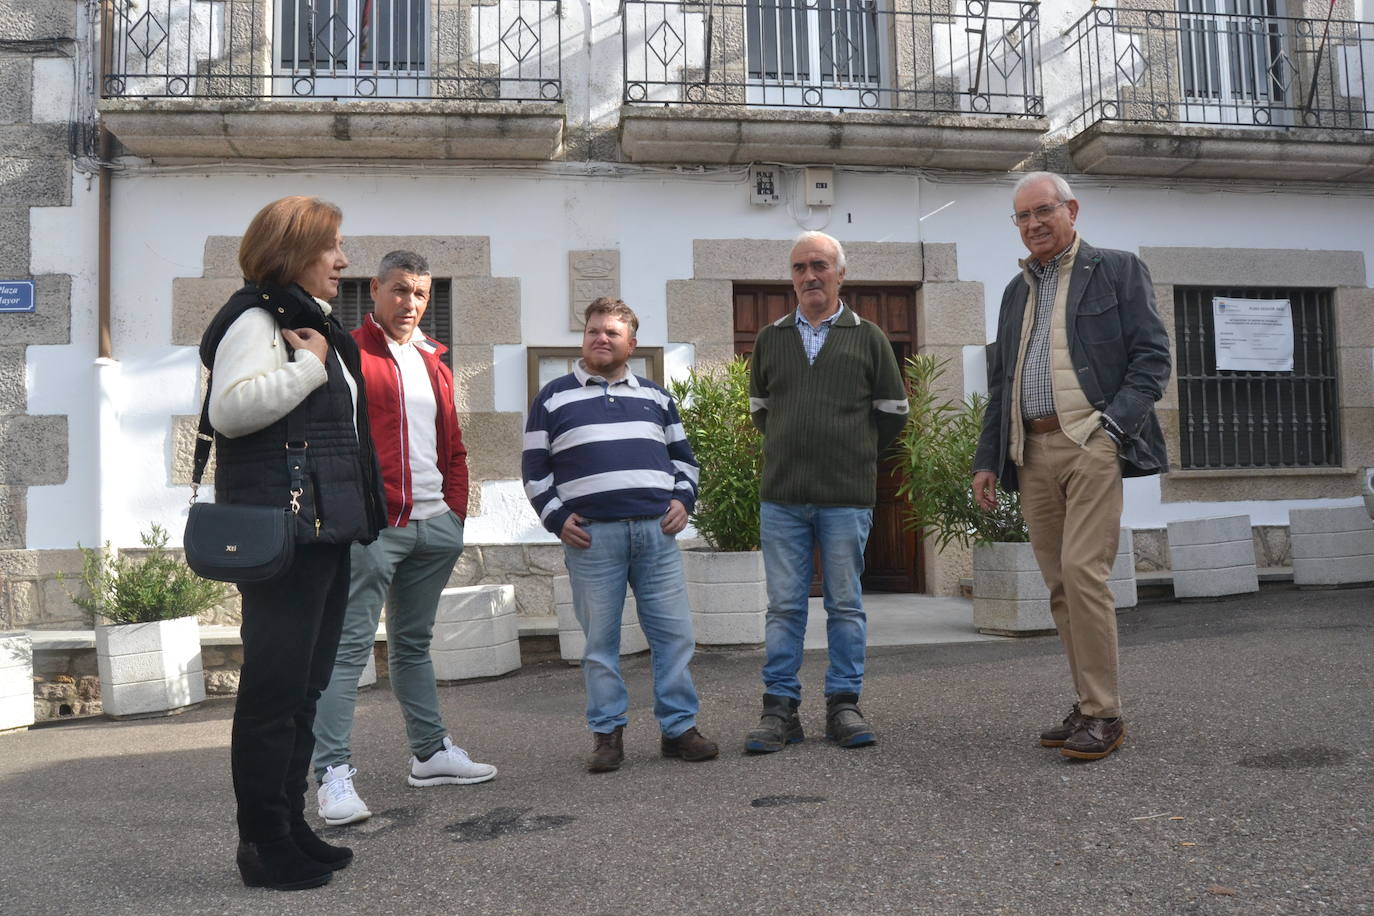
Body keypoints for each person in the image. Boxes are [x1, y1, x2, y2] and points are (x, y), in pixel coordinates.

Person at [199, 196, 386, 890]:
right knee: (273, 695)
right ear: (293, 251)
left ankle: (290, 823)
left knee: (305, 690)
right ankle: (262, 843)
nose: (343, 259)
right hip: (286, 534)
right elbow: (230, 410)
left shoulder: (310, 322)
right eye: (331, 246)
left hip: (322, 531)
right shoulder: (256, 318)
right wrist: (308, 368)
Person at [972, 172, 1171, 762]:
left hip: (1090, 443)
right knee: (1060, 583)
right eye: (1022, 216)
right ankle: (1087, 703)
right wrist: (988, 460)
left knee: (1084, 572)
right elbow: (1001, 384)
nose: (1033, 223)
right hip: (1031, 452)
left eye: (1043, 210)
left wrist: (1112, 431)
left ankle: (1104, 713)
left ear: (1072, 210)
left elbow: (1152, 359)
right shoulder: (1015, 291)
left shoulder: (1117, 270)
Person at [310, 251, 495, 827]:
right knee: (349, 648)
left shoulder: (434, 359)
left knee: (413, 644)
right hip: (375, 527)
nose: (409, 303)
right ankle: (332, 774)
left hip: (435, 524)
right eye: (399, 290)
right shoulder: (347, 351)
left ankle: (431, 753)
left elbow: (453, 443)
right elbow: (329, 442)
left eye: (419, 293)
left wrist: (455, 515)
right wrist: (352, 515)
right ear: (375, 289)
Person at [522, 297, 718, 773]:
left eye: (612, 332)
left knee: (674, 637)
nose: (600, 338)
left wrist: (683, 500)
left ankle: (678, 729)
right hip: (593, 540)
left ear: (632, 343)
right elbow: (533, 469)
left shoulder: (656, 397)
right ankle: (607, 735)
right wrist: (555, 518)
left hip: (656, 535)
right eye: (593, 330)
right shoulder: (552, 398)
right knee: (600, 645)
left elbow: (685, 461)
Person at [744, 231, 908, 753]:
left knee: (845, 604)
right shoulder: (770, 338)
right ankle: (780, 709)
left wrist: (849, 453)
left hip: (845, 497)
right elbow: (761, 411)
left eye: (819, 265)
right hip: (782, 497)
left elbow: (893, 414)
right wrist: (797, 447)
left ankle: (844, 704)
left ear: (840, 274)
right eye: (799, 267)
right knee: (784, 607)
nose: (809, 275)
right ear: (791, 278)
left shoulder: (870, 337)